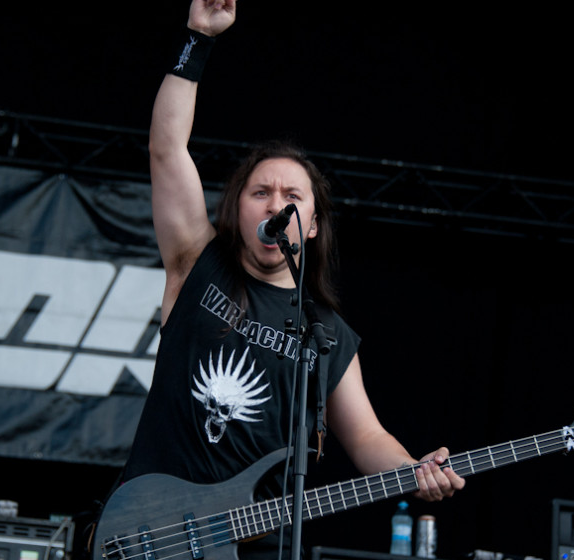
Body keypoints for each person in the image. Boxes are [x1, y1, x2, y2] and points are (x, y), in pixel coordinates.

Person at [114, 0, 464, 557]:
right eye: (261, 193)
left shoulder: (326, 333)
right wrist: (198, 40)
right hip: (151, 528)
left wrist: (413, 469)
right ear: (240, 209)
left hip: (252, 544)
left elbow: (366, 437)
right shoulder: (197, 262)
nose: (275, 204)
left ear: (314, 224)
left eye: (291, 197)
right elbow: (166, 149)